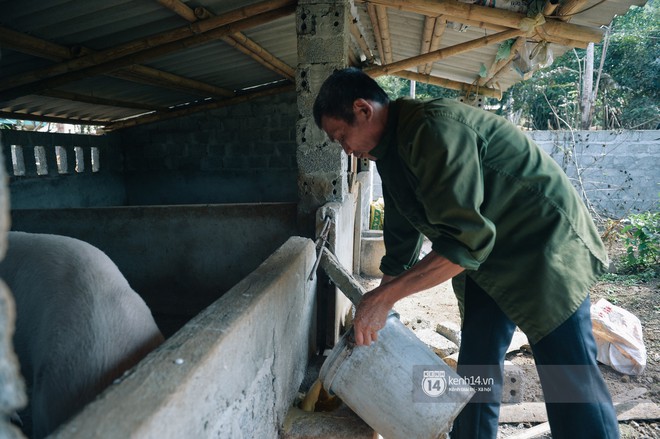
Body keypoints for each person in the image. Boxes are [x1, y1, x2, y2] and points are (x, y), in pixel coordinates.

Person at [312, 67, 619, 439]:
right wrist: (381, 302)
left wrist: (385, 298)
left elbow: (467, 241)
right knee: (477, 366)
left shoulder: (432, 129)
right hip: (490, 260)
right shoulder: (389, 154)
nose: (344, 148)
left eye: (341, 136)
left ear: (363, 110)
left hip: (542, 247)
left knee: (567, 374)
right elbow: (401, 236)